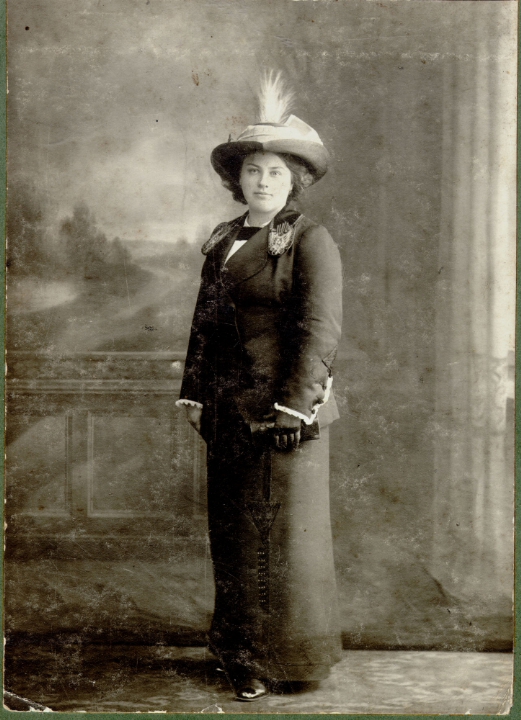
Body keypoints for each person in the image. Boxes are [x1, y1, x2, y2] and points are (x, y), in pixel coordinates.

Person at [176, 73, 343, 702]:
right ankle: (238, 656)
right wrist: (195, 394)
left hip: (282, 417)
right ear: (238, 179)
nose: (263, 181)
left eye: (275, 172)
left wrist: (294, 409)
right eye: (253, 170)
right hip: (226, 413)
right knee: (234, 539)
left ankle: (286, 659)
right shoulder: (222, 240)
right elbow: (204, 324)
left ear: (293, 181)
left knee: (281, 544)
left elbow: (319, 332)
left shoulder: (310, 242)